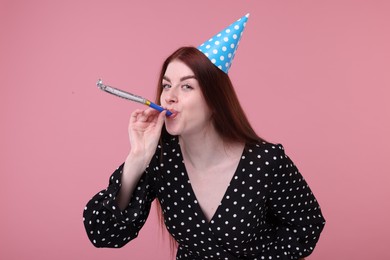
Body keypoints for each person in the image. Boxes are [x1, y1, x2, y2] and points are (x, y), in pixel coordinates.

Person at [83, 15, 325, 260]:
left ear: (214, 101)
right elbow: (104, 232)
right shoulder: (161, 159)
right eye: (167, 85)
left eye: (186, 86)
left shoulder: (266, 161)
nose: (169, 97)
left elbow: (306, 226)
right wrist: (137, 158)